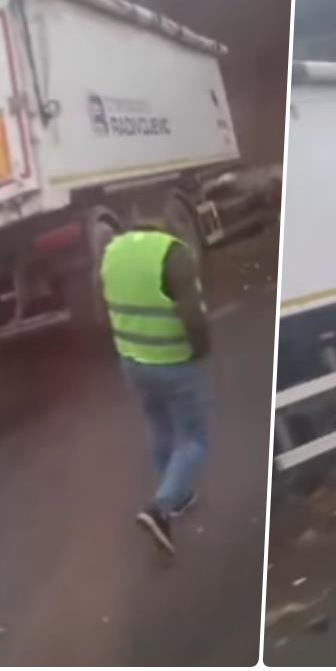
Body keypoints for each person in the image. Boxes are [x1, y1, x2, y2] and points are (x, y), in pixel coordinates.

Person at [99, 219, 213, 555]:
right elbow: (193, 316)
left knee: (158, 424)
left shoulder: (112, 253)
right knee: (195, 438)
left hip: (132, 362)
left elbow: (102, 307)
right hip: (172, 362)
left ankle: (175, 494)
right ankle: (161, 507)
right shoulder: (174, 253)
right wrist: (201, 350)